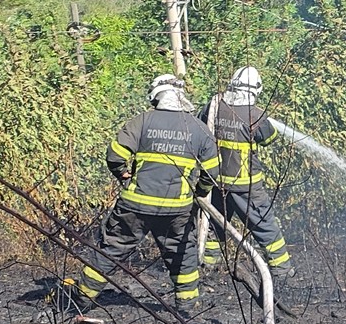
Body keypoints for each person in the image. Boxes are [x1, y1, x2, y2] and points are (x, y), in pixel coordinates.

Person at [75, 75, 219, 310]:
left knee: (112, 249)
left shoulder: (141, 122)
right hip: (176, 209)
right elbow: (212, 172)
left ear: (156, 96)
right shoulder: (198, 129)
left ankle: (82, 297)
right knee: (181, 254)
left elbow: (115, 155)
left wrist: (123, 174)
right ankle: (186, 307)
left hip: (135, 205)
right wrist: (200, 192)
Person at [198, 66, 293, 275]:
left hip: (214, 181)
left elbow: (199, 124)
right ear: (255, 90)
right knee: (264, 224)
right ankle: (281, 269)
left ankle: (206, 265)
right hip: (245, 185)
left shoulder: (214, 106)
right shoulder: (255, 115)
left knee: (215, 224)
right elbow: (269, 138)